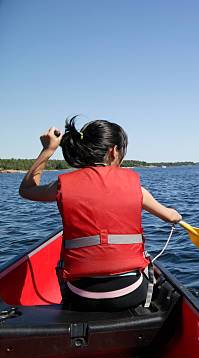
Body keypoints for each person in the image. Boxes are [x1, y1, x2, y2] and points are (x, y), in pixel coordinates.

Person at [19, 117, 182, 311]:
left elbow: (27, 189)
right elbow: (170, 217)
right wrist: (176, 215)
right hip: (130, 293)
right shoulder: (136, 188)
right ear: (113, 151)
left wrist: (48, 149)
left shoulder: (62, 186)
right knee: (152, 276)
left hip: (80, 295)